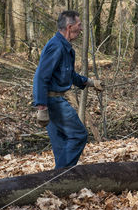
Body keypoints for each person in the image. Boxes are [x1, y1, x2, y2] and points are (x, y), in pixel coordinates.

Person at [32, 10, 104, 169]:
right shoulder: (56, 46)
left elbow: (68, 74)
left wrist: (90, 82)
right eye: (79, 25)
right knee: (79, 135)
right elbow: (40, 77)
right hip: (53, 102)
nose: (81, 29)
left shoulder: (64, 47)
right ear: (70, 27)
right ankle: (59, 177)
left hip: (54, 101)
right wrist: (41, 107)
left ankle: (59, 185)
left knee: (61, 144)